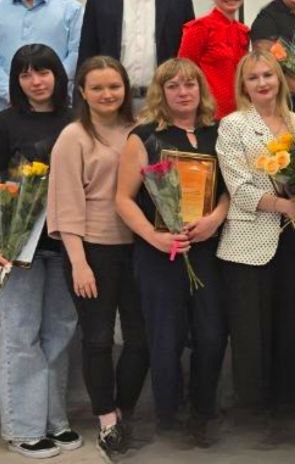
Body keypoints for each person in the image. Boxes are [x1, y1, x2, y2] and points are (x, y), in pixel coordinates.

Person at [113, 58, 229, 447]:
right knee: (167, 337)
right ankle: (170, 417)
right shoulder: (144, 136)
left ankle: (203, 413)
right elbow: (123, 198)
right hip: (159, 253)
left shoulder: (217, 132)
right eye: (173, 86)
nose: (183, 92)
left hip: (207, 249)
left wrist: (215, 218)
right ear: (161, 93)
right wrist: (154, 237)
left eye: (190, 84)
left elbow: (230, 190)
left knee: (212, 335)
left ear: (201, 88)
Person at [46, 56, 143, 457]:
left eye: (114, 86)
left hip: (139, 247)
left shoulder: (139, 130)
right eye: (98, 88)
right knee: (99, 338)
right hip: (92, 250)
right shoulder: (73, 137)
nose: (107, 94)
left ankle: (123, 410)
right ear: (82, 92)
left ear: (125, 89)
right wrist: (79, 262)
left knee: (141, 339)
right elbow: (65, 203)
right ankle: (106, 420)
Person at [215, 52, 295, 429]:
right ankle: (252, 413)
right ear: (243, 85)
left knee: (292, 326)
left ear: (280, 79)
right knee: (250, 332)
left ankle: (290, 409)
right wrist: (284, 205)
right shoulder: (233, 125)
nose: (262, 83)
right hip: (248, 242)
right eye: (253, 77)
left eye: (268, 75)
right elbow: (238, 188)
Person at [0, 45, 80, 459]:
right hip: (19, 247)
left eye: (43, 72)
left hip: (66, 244)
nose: (36, 81)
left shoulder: (76, 120)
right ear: (16, 80)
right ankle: (22, 427)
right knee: (20, 334)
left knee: (60, 332)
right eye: (26, 74)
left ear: (57, 75)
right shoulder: (5, 122)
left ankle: (54, 420)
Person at [78, 0, 195, 108]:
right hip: (112, 100)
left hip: (163, 101)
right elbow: (87, 51)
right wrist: (81, 103)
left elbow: (188, 57)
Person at [1, 0, 82, 109]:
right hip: (5, 105)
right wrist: (10, 92)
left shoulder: (72, 9)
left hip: (57, 106)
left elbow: (76, 53)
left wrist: (50, 88)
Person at [178, 0, 250, 119]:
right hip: (209, 115)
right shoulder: (199, 28)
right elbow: (184, 73)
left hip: (241, 113)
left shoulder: (244, 31)